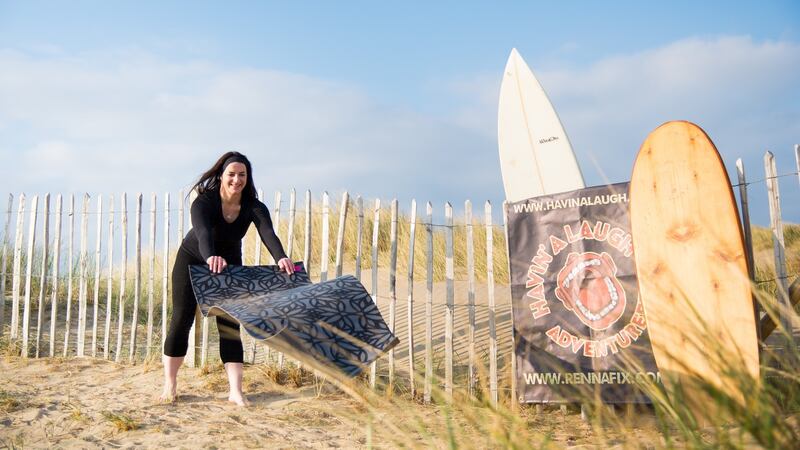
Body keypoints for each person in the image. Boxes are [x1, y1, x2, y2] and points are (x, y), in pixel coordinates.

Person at [161, 151, 294, 405]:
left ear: (248, 177)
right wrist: (210, 255)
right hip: (193, 260)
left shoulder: (254, 206)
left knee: (230, 325)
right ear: (221, 176)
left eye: (242, 175)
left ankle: (235, 392)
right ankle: (170, 384)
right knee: (182, 319)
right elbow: (203, 233)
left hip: (229, 264)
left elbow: (268, 232)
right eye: (231, 174)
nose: (236, 180)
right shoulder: (204, 202)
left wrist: (281, 257)